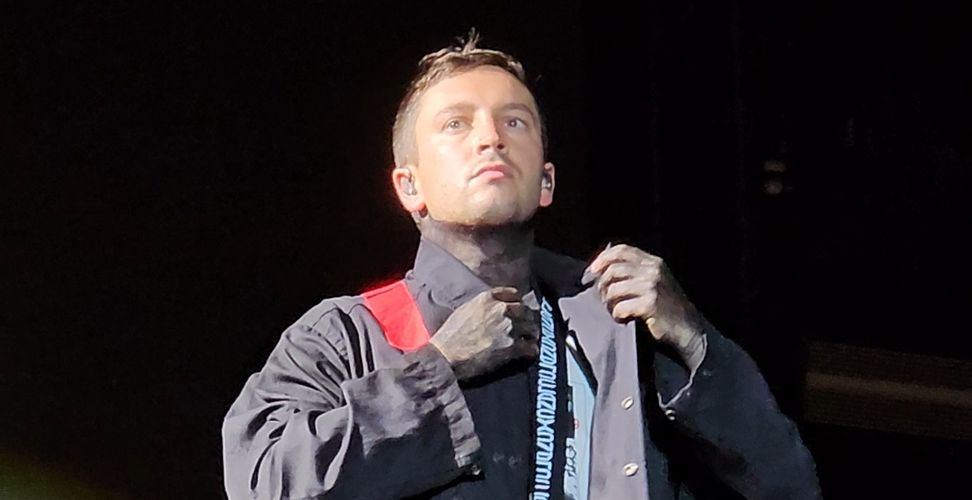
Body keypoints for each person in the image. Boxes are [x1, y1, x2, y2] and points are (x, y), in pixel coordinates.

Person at [221, 32, 820, 500]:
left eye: (515, 122)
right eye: (456, 124)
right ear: (409, 186)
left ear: (547, 182)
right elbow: (266, 482)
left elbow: (788, 485)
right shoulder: (345, 337)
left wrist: (693, 342)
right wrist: (440, 368)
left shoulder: (622, 325)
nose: (491, 138)